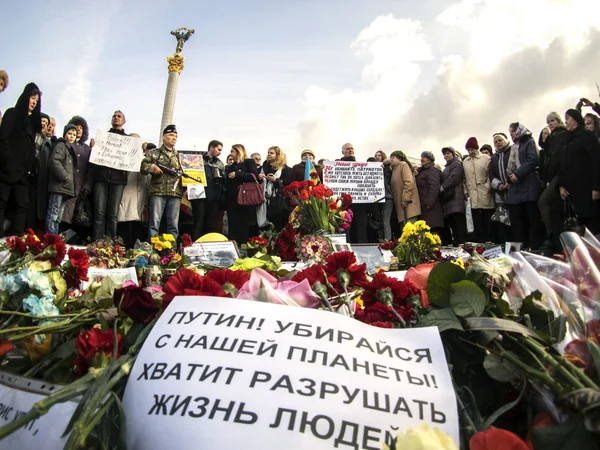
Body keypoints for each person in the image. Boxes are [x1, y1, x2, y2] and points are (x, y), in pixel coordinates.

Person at [0, 82, 42, 237]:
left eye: (36, 100)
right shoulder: (12, 114)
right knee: (1, 203)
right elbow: (3, 139)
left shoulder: (31, 125)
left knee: (22, 206)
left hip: (23, 174)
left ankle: (16, 242)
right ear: (26, 97)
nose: (34, 102)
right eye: (32, 97)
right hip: (6, 170)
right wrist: (8, 163)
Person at [557, 109, 600, 235]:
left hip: (588, 189)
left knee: (594, 222)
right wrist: (561, 185)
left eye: (568, 118)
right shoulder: (567, 140)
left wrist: (596, 188)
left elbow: (596, 162)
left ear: (576, 120)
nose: (566, 121)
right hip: (573, 192)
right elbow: (562, 164)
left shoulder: (587, 136)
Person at [88, 110, 129, 240]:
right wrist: (93, 148)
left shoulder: (129, 141)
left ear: (124, 121)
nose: (116, 118)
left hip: (118, 180)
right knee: (99, 213)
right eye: (114, 116)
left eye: (119, 116)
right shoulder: (103, 138)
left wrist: (142, 148)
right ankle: (98, 244)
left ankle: (110, 244)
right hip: (101, 178)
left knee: (113, 214)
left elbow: (134, 157)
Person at [141, 125, 183, 241]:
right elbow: (143, 167)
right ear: (163, 137)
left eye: (175, 136)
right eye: (170, 135)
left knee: (173, 225)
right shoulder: (154, 153)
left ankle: (171, 253)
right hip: (157, 191)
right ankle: (153, 252)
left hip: (175, 192)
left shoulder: (180, 157)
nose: (174, 138)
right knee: (154, 223)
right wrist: (152, 167)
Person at [504, 123, 543, 250]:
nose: (512, 135)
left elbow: (532, 160)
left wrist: (518, 174)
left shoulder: (529, 142)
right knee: (519, 218)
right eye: (510, 133)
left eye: (513, 132)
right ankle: (522, 244)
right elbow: (510, 166)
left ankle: (534, 243)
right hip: (516, 187)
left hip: (529, 184)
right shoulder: (514, 147)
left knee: (532, 216)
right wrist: (510, 176)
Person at [538, 112, 568, 254]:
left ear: (559, 120)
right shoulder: (553, 137)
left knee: (543, 201)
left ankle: (552, 236)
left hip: (558, 176)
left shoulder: (561, 134)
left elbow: (557, 158)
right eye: (548, 121)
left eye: (552, 120)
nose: (550, 123)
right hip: (553, 177)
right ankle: (555, 239)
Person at [61, 116, 94, 242]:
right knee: (64, 215)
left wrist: (87, 187)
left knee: (78, 217)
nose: (78, 130)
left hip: (82, 189)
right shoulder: (66, 145)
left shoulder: (87, 149)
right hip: (67, 185)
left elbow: (91, 170)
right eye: (76, 127)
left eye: (81, 128)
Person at [117, 134, 149, 247]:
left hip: (140, 198)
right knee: (125, 225)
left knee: (138, 229)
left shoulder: (145, 159)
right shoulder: (121, 156)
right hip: (126, 194)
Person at [46, 124, 78, 234]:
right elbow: (54, 161)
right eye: (69, 133)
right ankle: (50, 239)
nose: (72, 136)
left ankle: (54, 238)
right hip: (58, 187)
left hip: (65, 188)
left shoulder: (70, 150)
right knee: (53, 213)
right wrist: (65, 176)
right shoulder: (61, 145)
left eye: (74, 135)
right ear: (64, 134)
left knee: (58, 216)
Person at [225, 144, 259, 244]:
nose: (231, 154)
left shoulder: (249, 162)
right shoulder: (231, 166)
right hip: (232, 199)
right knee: (232, 225)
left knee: (242, 225)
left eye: (232, 151)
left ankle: (243, 247)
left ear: (238, 152)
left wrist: (238, 174)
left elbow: (254, 176)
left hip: (244, 199)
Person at [191, 140, 225, 240]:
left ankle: (210, 247)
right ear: (211, 148)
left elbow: (224, 180)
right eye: (218, 149)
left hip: (214, 198)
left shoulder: (220, 163)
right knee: (198, 223)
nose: (220, 152)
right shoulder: (198, 160)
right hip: (200, 197)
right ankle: (195, 246)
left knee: (212, 225)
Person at [463, 137, 494, 243]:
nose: (470, 152)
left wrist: (488, 187)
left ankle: (489, 240)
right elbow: (464, 179)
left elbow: (490, 174)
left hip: (484, 192)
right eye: (468, 150)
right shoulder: (465, 162)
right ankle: (480, 242)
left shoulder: (486, 158)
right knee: (477, 220)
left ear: (476, 148)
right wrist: (465, 191)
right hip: (472, 194)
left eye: (472, 149)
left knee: (487, 218)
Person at [28, 112, 52, 230]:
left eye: (46, 123)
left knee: (32, 208)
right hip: (23, 175)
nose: (43, 124)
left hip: (37, 179)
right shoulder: (29, 135)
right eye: (42, 121)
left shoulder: (47, 142)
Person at [488, 133, 512, 244]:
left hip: (514, 191)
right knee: (502, 223)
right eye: (495, 142)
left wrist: (509, 182)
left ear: (506, 140)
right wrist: (500, 185)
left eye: (500, 140)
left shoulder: (512, 152)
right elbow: (491, 174)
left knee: (516, 220)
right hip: (501, 194)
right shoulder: (494, 158)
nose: (498, 143)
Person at [440, 147, 467, 246]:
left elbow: (453, 178)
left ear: (453, 154)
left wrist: (442, 187)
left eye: (448, 153)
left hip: (456, 198)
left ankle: (462, 245)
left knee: (458, 224)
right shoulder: (447, 166)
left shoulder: (456, 164)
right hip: (449, 200)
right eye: (444, 154)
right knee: (454, 226)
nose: (446, 155)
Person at [262, 145, 292, 231]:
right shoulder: (265, 165)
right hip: (265, 198)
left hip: (278, 199)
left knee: (277, 224)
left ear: (278, 155)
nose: (269, 154)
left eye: (272, 153)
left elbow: (288, 182)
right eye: (268, 152)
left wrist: (276, 180)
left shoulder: (284, 168)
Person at [390, 150, 421, 228]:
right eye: (390, 158)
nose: (391, 159)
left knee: (411, 231)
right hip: (402, 207)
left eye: (393, 157)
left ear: (399, 158)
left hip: (408, 205)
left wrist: (405, 198)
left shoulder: (403, 165)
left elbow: (409, 182)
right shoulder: (394, 169)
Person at [415, 151, 443, 233]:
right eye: (421, 157)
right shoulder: (422, 171)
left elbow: (434, 187)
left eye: (424, 157)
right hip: (424, 206)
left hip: (431, 207)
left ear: (430, 159)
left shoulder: (432, 170)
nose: (422, 159)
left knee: (433, 231)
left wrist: (428, 203)